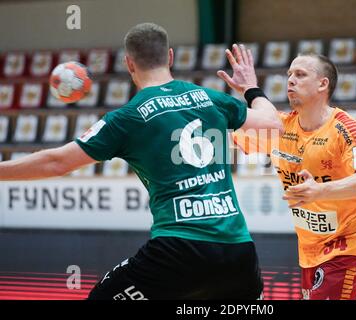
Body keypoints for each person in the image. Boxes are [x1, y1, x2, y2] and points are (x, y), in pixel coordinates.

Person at [0, 23, 283, 300]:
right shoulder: (211, 98)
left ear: (129, 63)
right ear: (170, 56)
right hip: (239, 254)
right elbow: (273, 126)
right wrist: (251, 88)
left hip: (179, 251)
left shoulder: (127, 118)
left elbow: (56, 163)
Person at [231, 53, 356, 300]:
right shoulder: (280, 128)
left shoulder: (347, 129)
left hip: (350, 249)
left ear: (323, 84)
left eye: (300, 75)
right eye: (289, 74)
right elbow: (227, 137)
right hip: (309, 253)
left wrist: (320, 191)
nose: (290, 80)